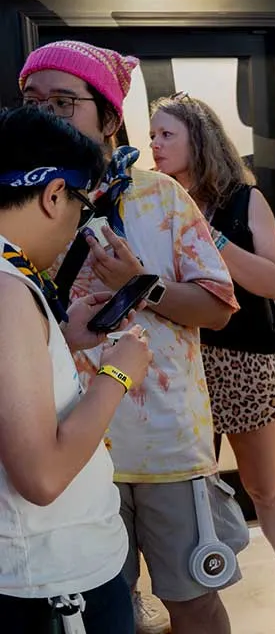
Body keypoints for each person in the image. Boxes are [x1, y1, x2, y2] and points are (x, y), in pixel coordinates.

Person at [19, 41, 247, 634]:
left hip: (164, 443)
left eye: (63, 102)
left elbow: (219, 308)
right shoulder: (18, 202)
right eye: (32, 101)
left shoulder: (161, 197)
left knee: (193, 600)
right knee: (99, 608)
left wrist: (140, 286)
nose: (45, 115)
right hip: (65, 444)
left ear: (109, 118)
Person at [149, 93, 275, 634]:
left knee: (266, 487)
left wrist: (212, 236)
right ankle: (178, 599)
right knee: (177, 492)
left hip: (246, 360)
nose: (154, 145)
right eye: (152, 135)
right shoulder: (151, 202)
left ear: (198, 138)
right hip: (176, 364)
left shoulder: (245, 200)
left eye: (166, 134)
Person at [0, 105, 152, 633]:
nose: (75, 226)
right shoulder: (8, 291)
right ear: (53, 195)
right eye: (81, 206)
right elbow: (41, 476)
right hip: (52, 581)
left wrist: (60, 340)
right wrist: (118, 375)